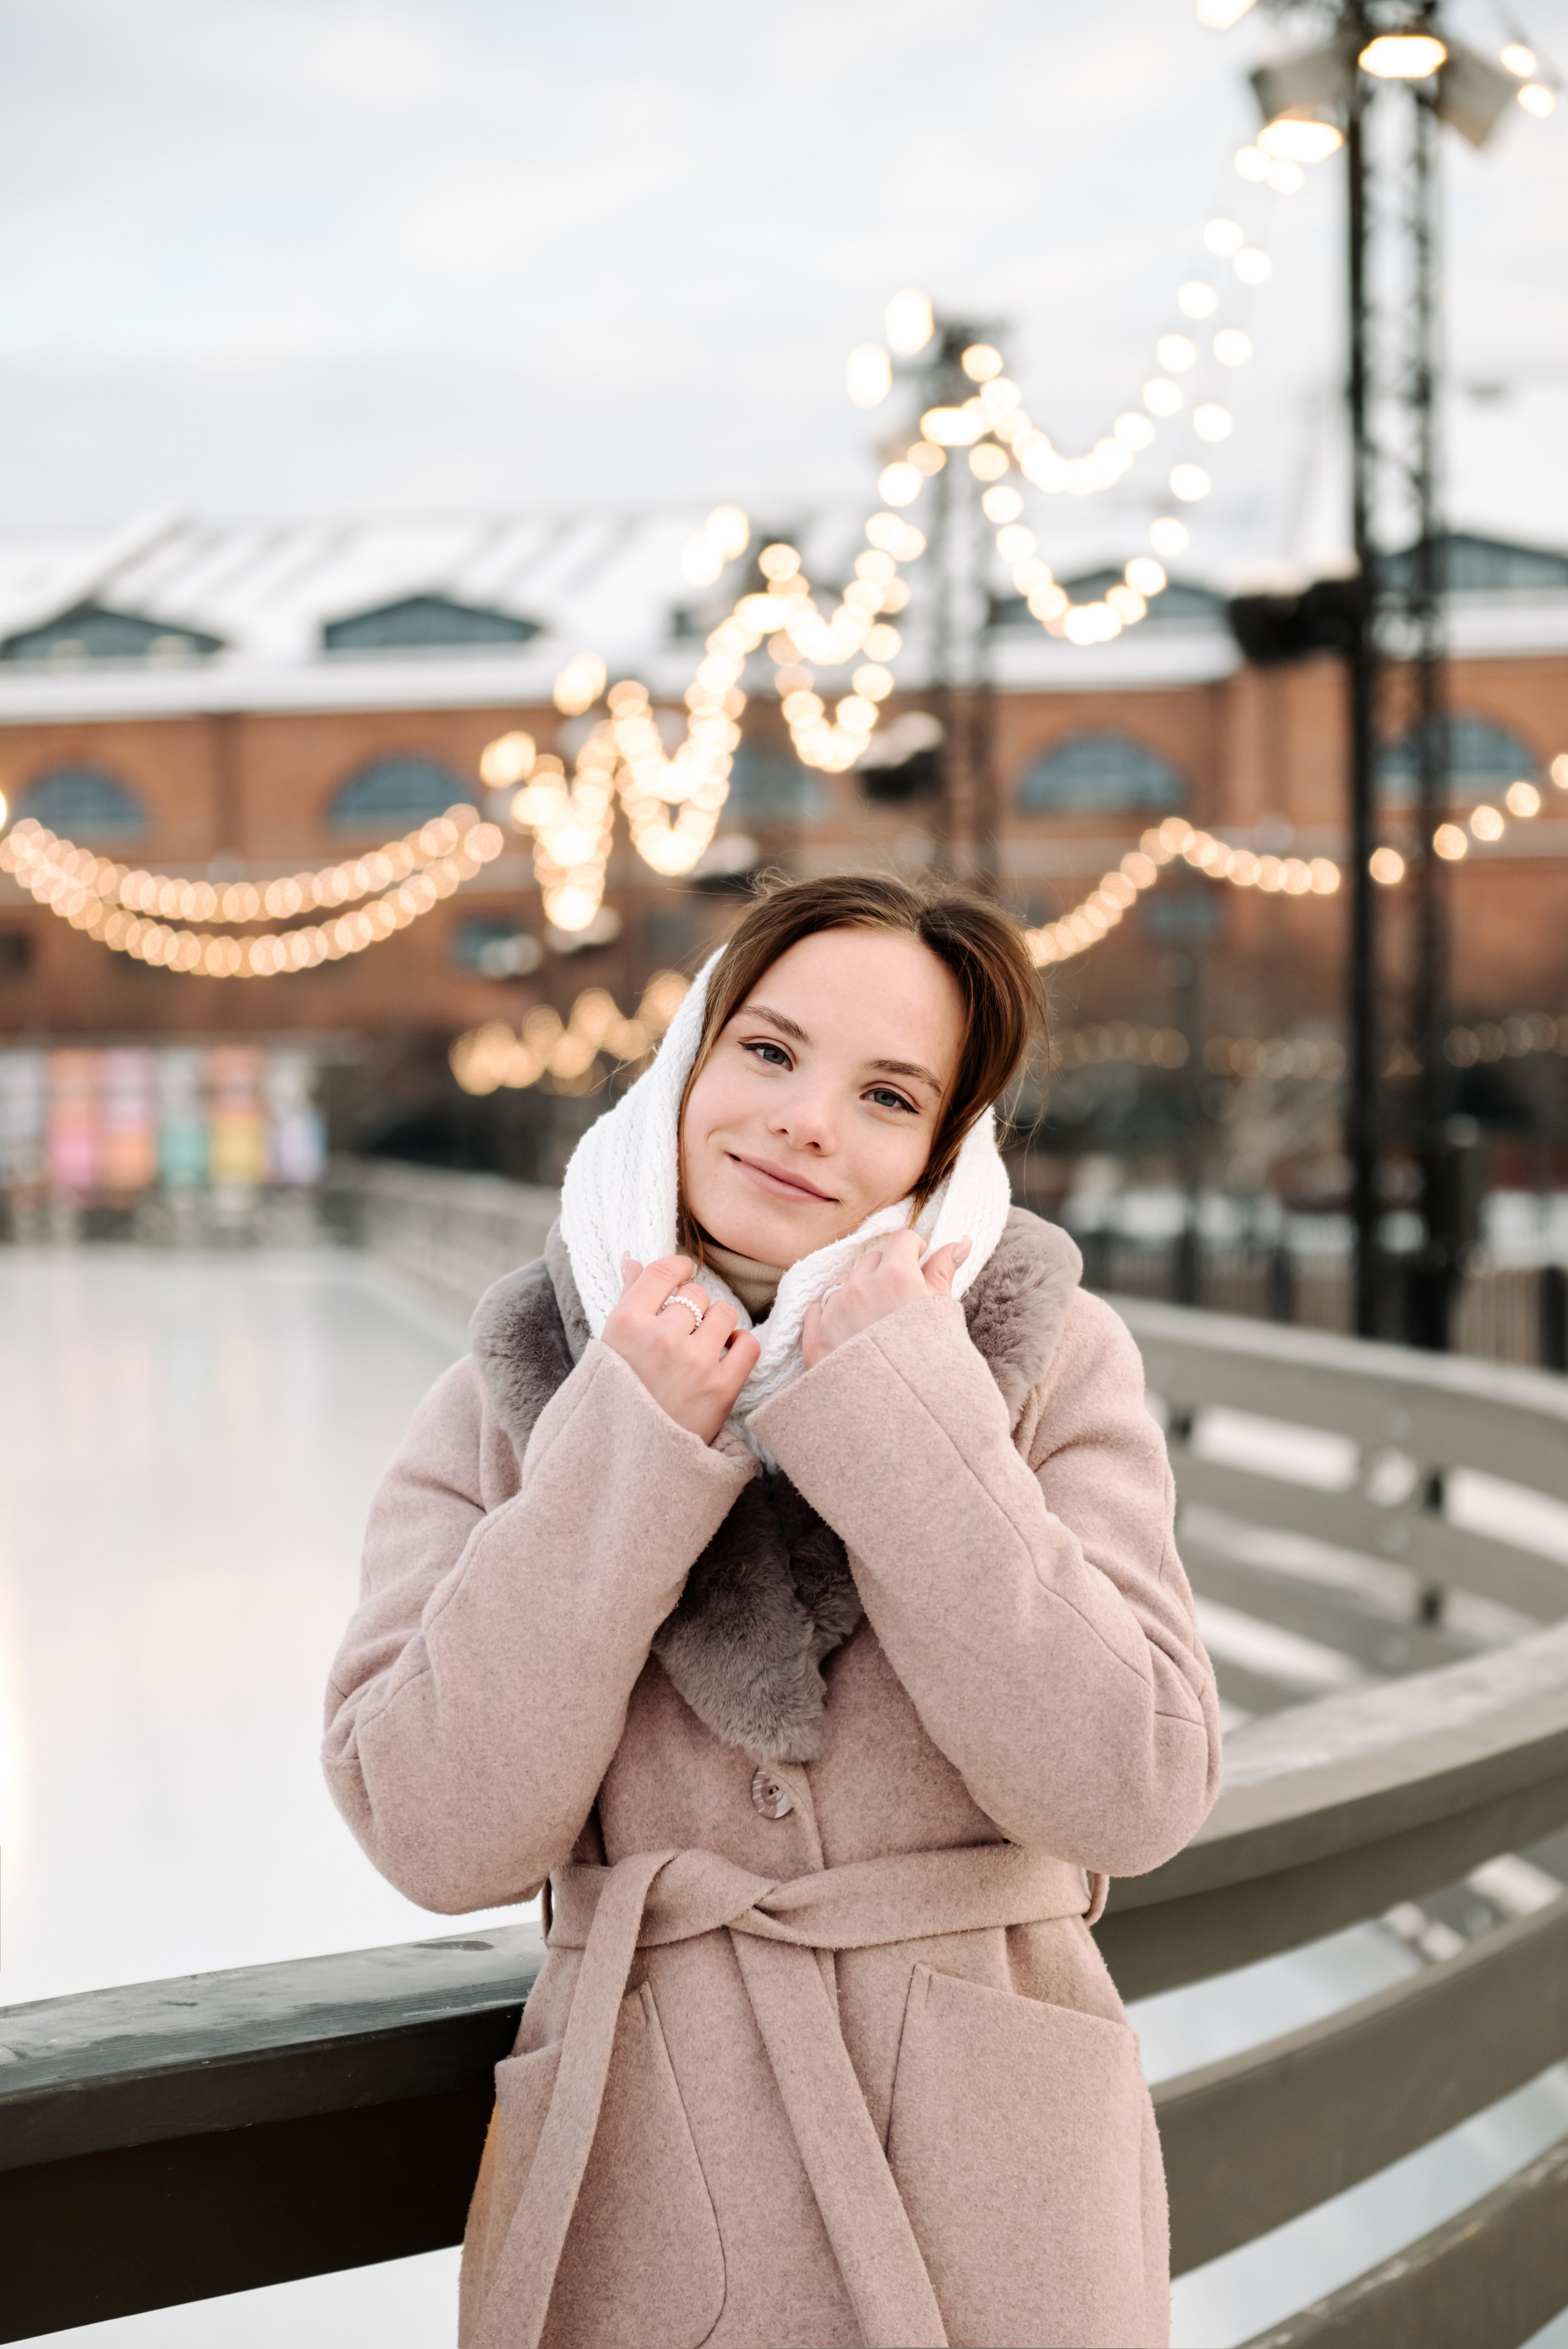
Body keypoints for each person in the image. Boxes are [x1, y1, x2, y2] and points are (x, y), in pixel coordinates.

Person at [323, 872, 1221, 2349]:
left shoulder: (1045, 1359)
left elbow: (1130, 1788)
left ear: (942, 1147)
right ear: (689, 1059)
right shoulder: (511, 1385)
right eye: (767, 1050)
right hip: (653, 2183)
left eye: (887, 1094)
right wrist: (625, 1441)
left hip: (995, 2197)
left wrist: (901, 1410)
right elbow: (434, 1831)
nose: (805, 1120)